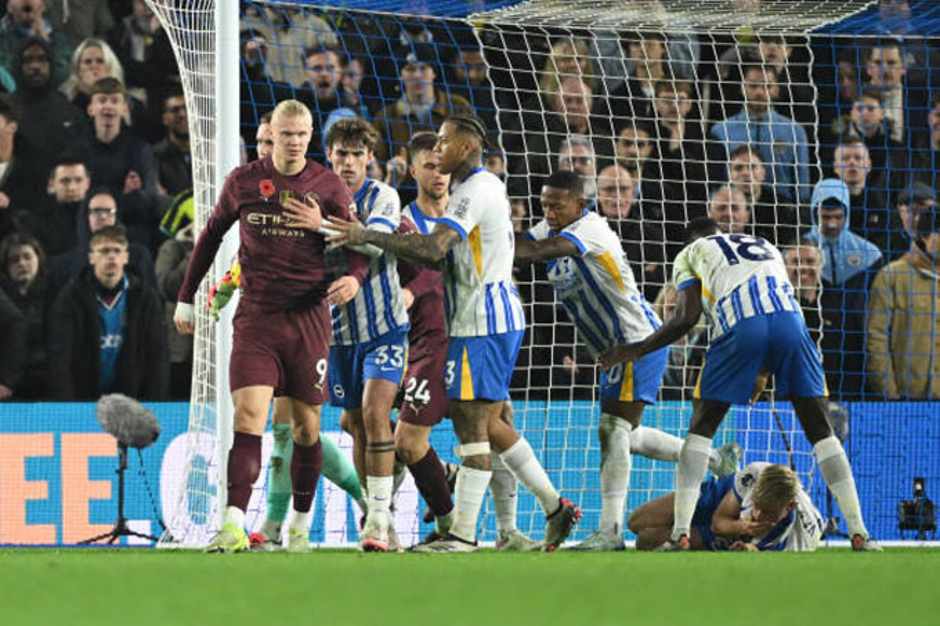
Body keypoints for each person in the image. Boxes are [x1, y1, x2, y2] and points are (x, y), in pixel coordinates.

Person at [327, 114, 582, 553]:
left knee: (473, 425)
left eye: (444, 142)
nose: (437, 150)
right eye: (430, 152)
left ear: (465, 148)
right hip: (474, 322)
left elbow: (431, 251)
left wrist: (363, 235)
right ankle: (534, 513)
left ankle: (465, 531)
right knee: (484, 422)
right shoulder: (474, 190)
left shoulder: (474, 191)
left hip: (479, 322)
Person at [596, 217, 880, 552]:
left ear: (691, 241)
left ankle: (681, 533)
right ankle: (859, 532)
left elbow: (685, 318)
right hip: (792, 323)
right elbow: (768, 305)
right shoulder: (763, 245)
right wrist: (761, 371)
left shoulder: (691, 253)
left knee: (701, 428)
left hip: (741, 324)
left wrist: (636, 349)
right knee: (821, 433)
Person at [173, 99, 369, 553]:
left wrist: (354, 279)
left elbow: (356, 242)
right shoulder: (243, 182)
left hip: (308, 321)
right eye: (287, 134)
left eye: (303, 134)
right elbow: (209, 237)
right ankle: (232, 524)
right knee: (248, 417)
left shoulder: (328, 185)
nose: (295, 141)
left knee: (305, 428)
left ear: (310, 135)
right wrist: (186, 297)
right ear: (272, 135)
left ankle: (299, 523)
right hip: (256, 319)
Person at [514, 171, 740, 551]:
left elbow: (532, 252)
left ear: (580, 204)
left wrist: (479, 234)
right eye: (544, 204)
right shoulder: (554, 225)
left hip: (636, 340)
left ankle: (611, 531)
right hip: (615, 347)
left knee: (613, 430)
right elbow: (526, 240)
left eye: (556, 204)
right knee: (627, 435)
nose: (548, 212)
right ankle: (716, 459)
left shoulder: (591, 230)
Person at [319, 117, 410, 552]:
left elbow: (379, 244)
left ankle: (378, 517)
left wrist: (337, 231)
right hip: (338, 334)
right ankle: (375, 510)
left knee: (376, 414)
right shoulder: (314, 196)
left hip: (386, 328)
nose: (349, 163)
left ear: (370, 158)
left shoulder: (384, 196)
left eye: (357, 154)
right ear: (329, 155)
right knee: (355, 423)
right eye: (342, 154)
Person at [47, 224, 166, 400]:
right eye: (103, 251)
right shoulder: (70, 298)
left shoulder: (146, 298)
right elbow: (61, 358)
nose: (111, 256)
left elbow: (157, 355)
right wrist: (66, 405)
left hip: (131, 399)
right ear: (91, 258)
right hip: (84, 398)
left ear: (126, 257)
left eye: (117, 251)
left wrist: (155, 402)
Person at [803, 178, 883, 399]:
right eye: (825, 217)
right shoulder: (798, 254)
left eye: (837, 217)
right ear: (813, 213)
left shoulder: (870, 255)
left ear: (847, 216)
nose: (831, 224)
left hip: (854, 349)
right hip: (812, 346)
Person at [629, 462, 823, 552]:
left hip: (729, 536)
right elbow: (718, 521)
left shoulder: (795, 543)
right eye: (757, 505)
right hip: (722, 498)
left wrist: (745, 548)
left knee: (645, 541)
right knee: (635, 522)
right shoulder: (756, 474)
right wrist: (744, 526)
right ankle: (721, 462)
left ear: (790, 506)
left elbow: (755, 554)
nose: (757, 514)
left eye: (769, 513)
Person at [867, 208, 940, 399]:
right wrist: (889, 392)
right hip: (907, 398)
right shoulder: (891, 277)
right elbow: (876, 338)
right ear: (924, 237)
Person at [0, 231, 48, 399]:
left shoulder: (56, 297)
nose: (22, 263)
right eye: (15, 260)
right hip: (8, 387)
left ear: (38, 259)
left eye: (27, 257)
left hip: (45, 381)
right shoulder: (3, 301)